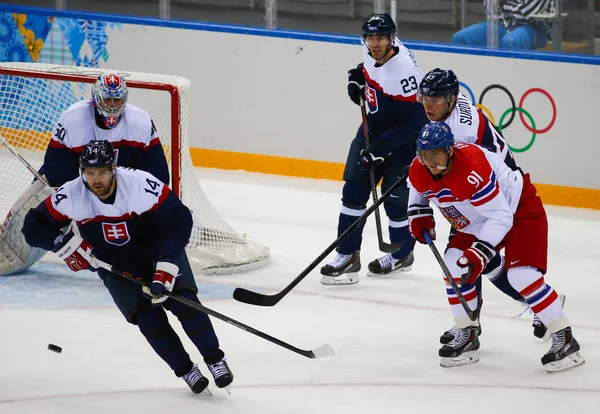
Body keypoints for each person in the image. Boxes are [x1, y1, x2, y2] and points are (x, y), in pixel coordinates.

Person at [22, 140, 233, 394]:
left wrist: (165, 265)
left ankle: (214, 360)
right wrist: (63, 244)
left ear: (114, 168)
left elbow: (179, 220)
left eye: (101, 171)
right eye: (89, 173)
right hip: (113, 265)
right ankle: (187, 371)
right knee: (148, 321)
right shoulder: (71, 195)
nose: (95, 179)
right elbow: (32, 227)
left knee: (185, 303)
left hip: (156, 253)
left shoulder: (140, 185)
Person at [407, 122, 584, 372]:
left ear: (449, 151)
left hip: (518, 208)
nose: (431, 163)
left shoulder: (471, 169)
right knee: (454, 266)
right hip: (476, 219)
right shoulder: (420, 167)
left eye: (435, 155)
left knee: (521, 276)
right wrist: (418, 211)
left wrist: (480, 252)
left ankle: (565, 338)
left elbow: (501, 217)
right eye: (425, 156)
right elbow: (417, 186)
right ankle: (467, 332)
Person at [416, 68, 562, 342]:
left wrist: (424, 183)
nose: (427, 105)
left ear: (450, 98)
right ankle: (473, 323)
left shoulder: (461, 133)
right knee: (473, 262)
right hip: (477, 189)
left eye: (434, 99)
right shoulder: (448, 111)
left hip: (491, 193)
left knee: (473, 260)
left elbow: (448, 171)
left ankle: (476, 324)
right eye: (425, 98)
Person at [2, 73, 170, 276]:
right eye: (108, 99)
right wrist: (81, 206)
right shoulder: (73, 118)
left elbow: (157, 175)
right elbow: (56, 170)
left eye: (117, 100)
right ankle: (13, 254)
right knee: (36, 216)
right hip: (78, 179)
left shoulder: (140, 121)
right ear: (96, 98)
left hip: (119, 181)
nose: (113, 105)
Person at [319, 13, 428, 285]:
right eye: (370, 37)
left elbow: (416, 121)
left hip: (402, 142)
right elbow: (369, 67)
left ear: (391, 39)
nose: (375, 43)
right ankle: (347, 255)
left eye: (380, 38)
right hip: (371, 131)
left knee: (394, 200)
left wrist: (385, 145)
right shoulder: (373, 51)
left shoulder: (404, 72)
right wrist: (358, 76)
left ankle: (402, 254)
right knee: (353, 191)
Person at [452, 0, 553, 50]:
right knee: (461, 38)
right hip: (501, 24)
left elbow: (527, 13)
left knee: (509, 42)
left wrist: (503, 6)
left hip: (534, 28)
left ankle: (508, 83)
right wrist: (512, 8)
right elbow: (490, 9)